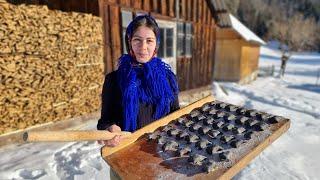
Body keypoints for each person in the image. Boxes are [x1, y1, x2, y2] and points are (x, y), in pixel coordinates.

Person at [97, 15, 180, 147]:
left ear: (156, 44)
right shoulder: (113, 80)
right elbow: (105, 120)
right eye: (137, 40)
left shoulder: (169, 78)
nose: (143, 47)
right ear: (129, 42)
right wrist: (109, 129)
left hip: (163, 153)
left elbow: (176, 115)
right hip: (126, 153)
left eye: (149, 41)